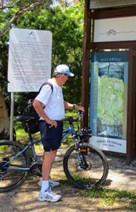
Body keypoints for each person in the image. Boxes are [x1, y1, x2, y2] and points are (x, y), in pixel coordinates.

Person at [33, 64, 84, 202]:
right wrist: (48, 119)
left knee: (51, 153)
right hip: (49, 125)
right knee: (50, 154)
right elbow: (36, 104)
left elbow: (61, 103)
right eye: (67, 76)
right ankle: (44, 191)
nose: (67, 79)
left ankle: (45, 179)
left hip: (55, 124)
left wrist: (74, 106)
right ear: (62, 75)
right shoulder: (48, 86)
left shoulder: (57, 87)